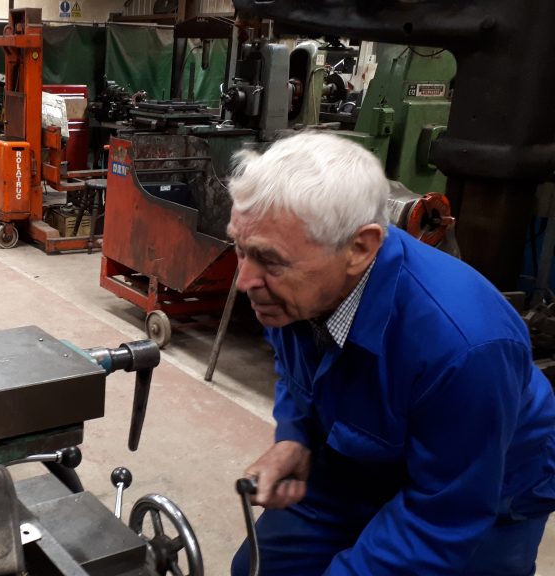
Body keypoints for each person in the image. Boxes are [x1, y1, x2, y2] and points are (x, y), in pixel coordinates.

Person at [227, 132, 555, 575]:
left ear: (359, 248)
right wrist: (295, 436)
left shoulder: (465, 347)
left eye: (268, 259)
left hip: (483, 486)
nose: (244, 279)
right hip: (361, 457)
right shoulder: (294, 295)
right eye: (240, 248)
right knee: (257, 568)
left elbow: (440, 519)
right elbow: (297, 372)